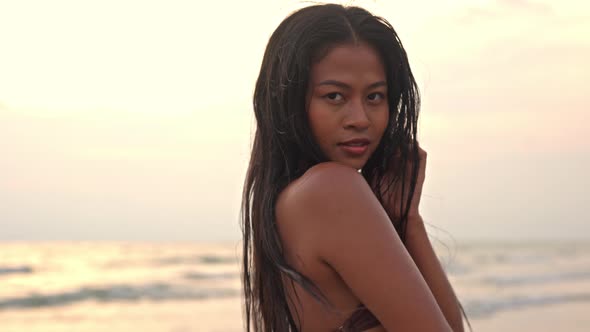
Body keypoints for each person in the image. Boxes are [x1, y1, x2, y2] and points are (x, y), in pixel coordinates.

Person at [241, 4, 468, 331]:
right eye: (335, 96)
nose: (360, 119)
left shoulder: (286, 202)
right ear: (289, 100)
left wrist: (408, 220)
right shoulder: (331, 189)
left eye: (375, 97)